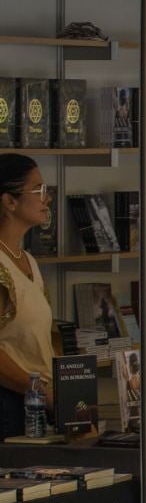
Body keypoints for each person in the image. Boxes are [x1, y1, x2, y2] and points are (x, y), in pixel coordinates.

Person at [0, 156, 54, 438]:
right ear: (9, 202)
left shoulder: (28, 260)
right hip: (9, 406)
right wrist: (39, 391)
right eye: (38, 190)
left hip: (34, 403)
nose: (47, 198)